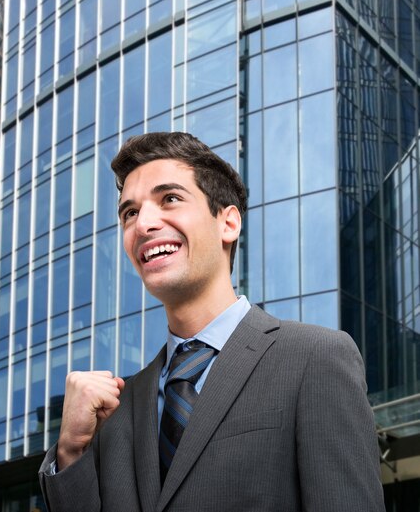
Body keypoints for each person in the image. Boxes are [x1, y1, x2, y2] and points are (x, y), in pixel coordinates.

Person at [39, 132, 385, 511]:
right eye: (130, 213)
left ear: (228, 223)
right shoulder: (113, 411)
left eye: (169, 199)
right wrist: (71, 448)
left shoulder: (315, 358)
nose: (143, 224)